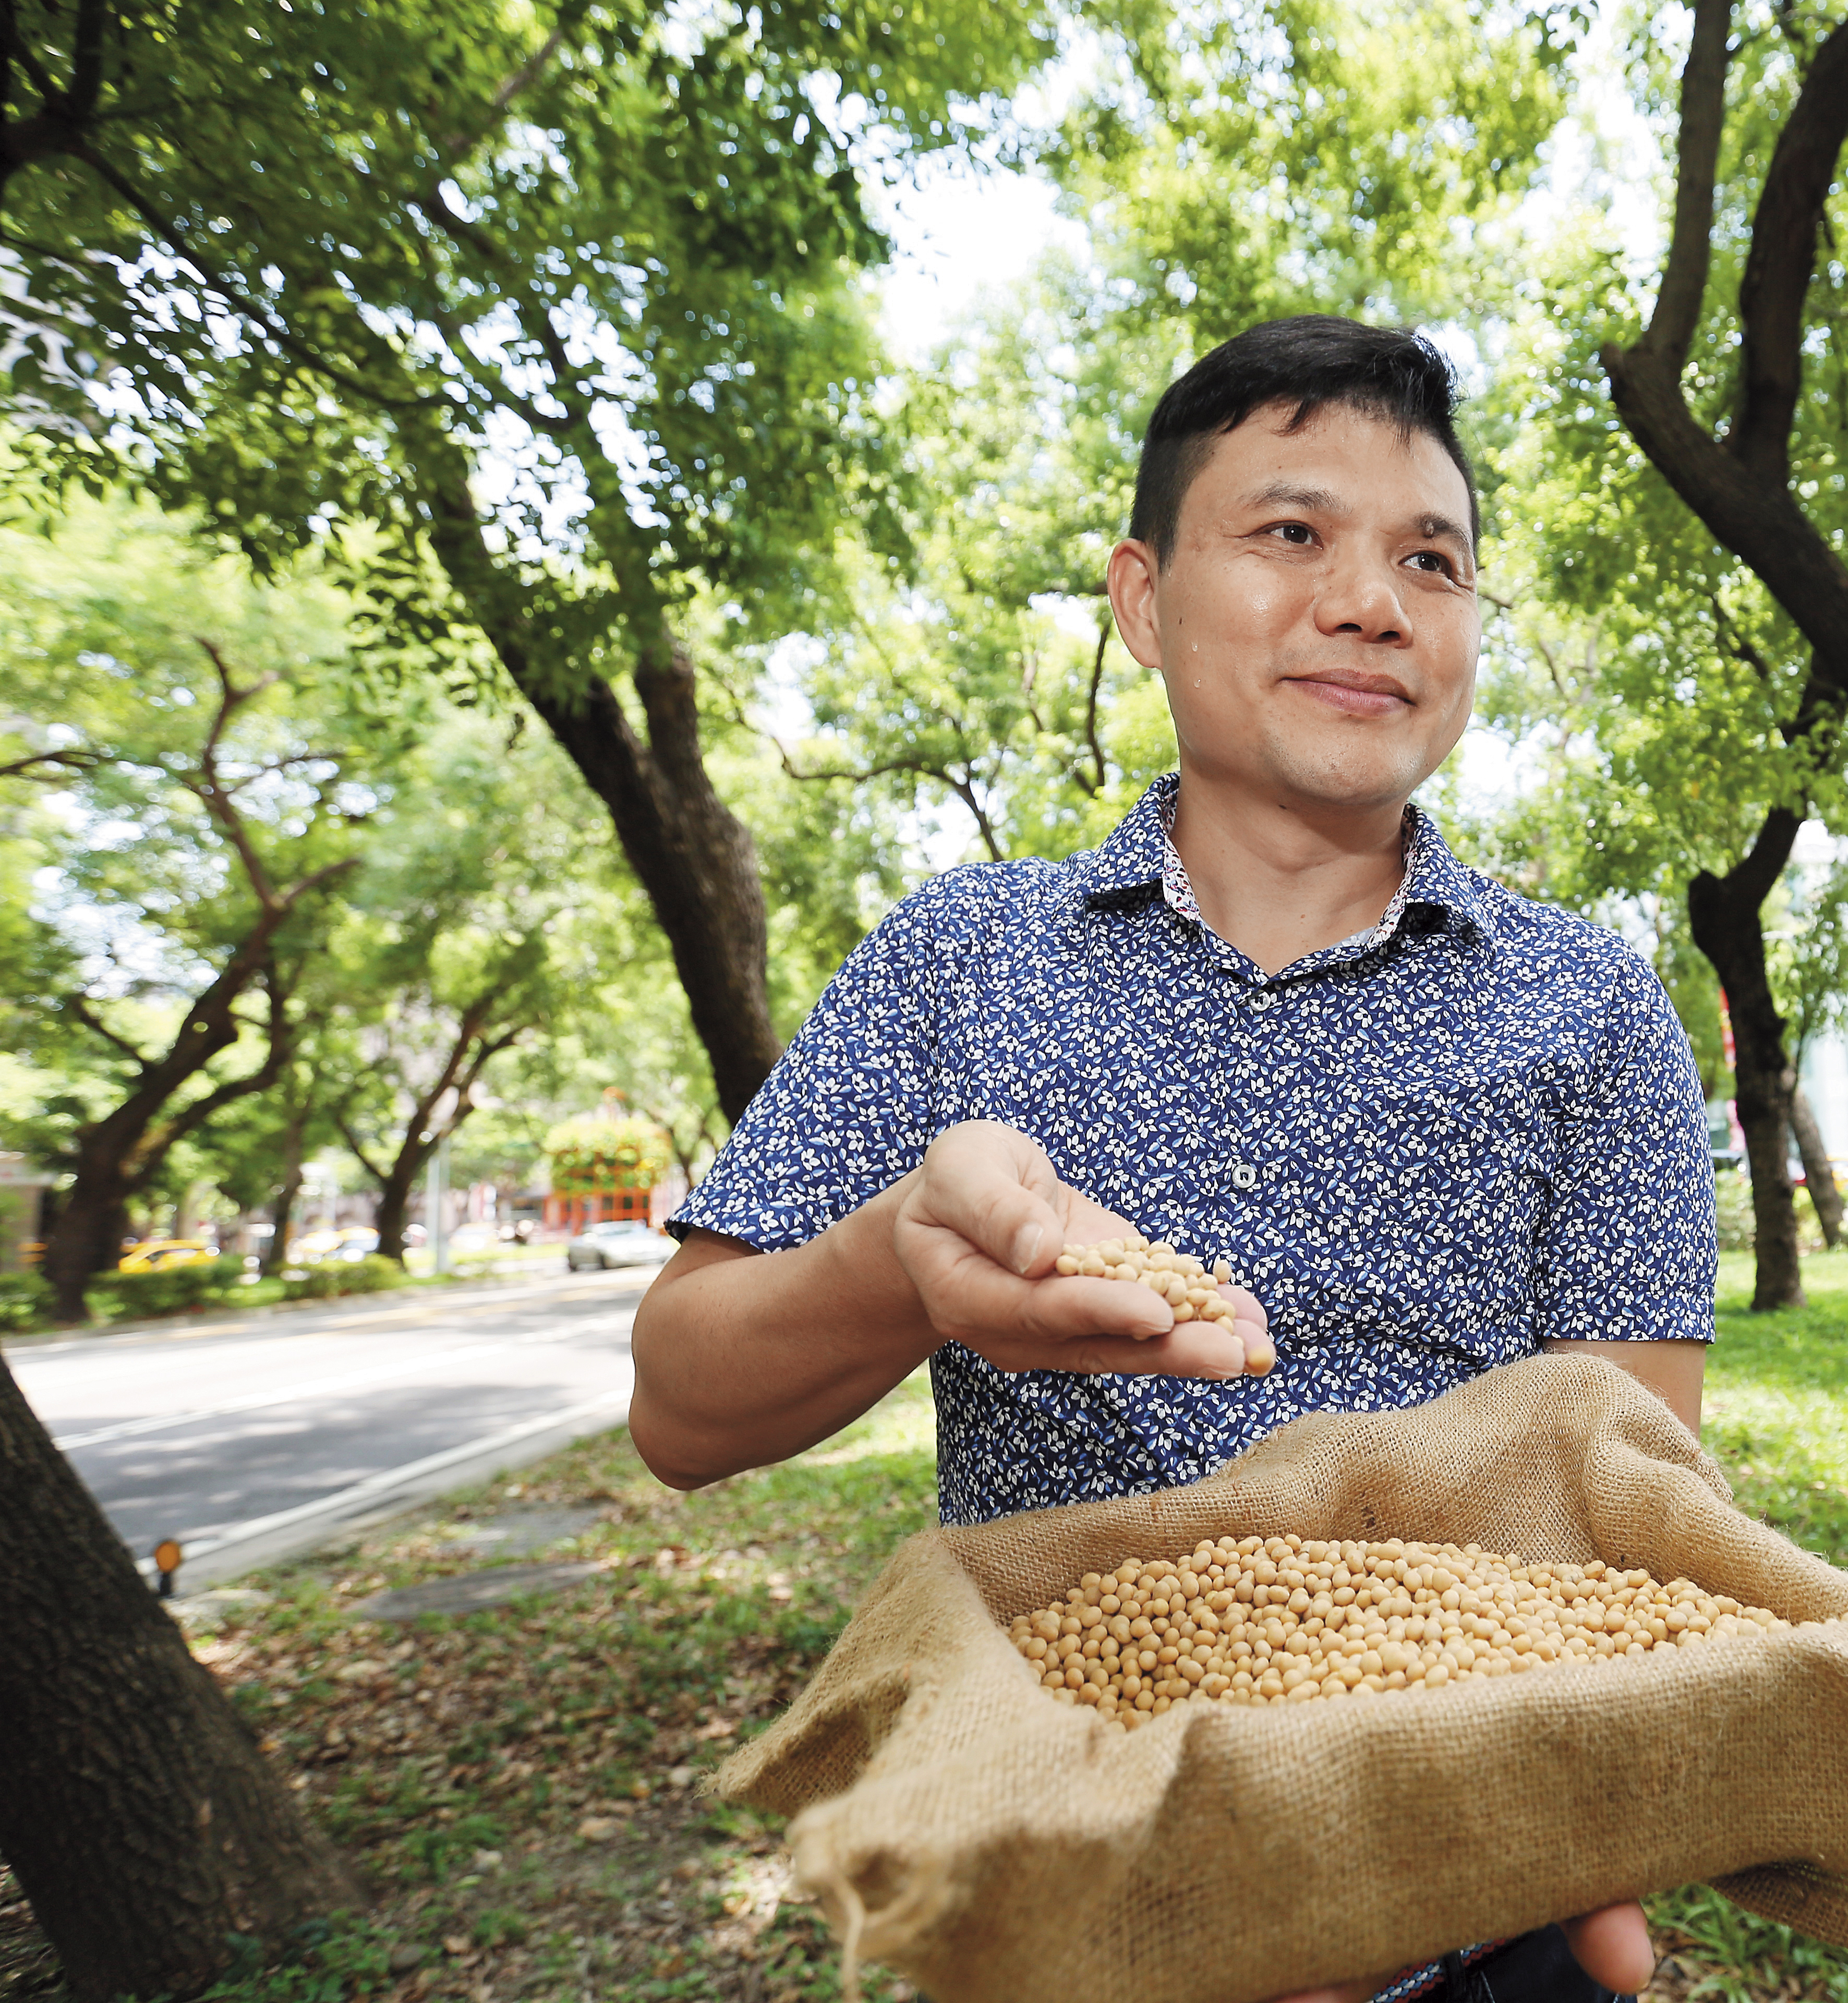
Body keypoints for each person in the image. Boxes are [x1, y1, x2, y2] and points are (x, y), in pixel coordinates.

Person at [628, 315, 1718, 2003]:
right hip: (1063, 1885)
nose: (1371, 600)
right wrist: (903, 1258)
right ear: (1143, 602)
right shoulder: (956, 961)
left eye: (1431, 560)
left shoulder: (1594, 1007)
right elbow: (679, 1411)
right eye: (1292, 535)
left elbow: (1620, 1491)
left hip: (1468, 1894)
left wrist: (1390, 1846)